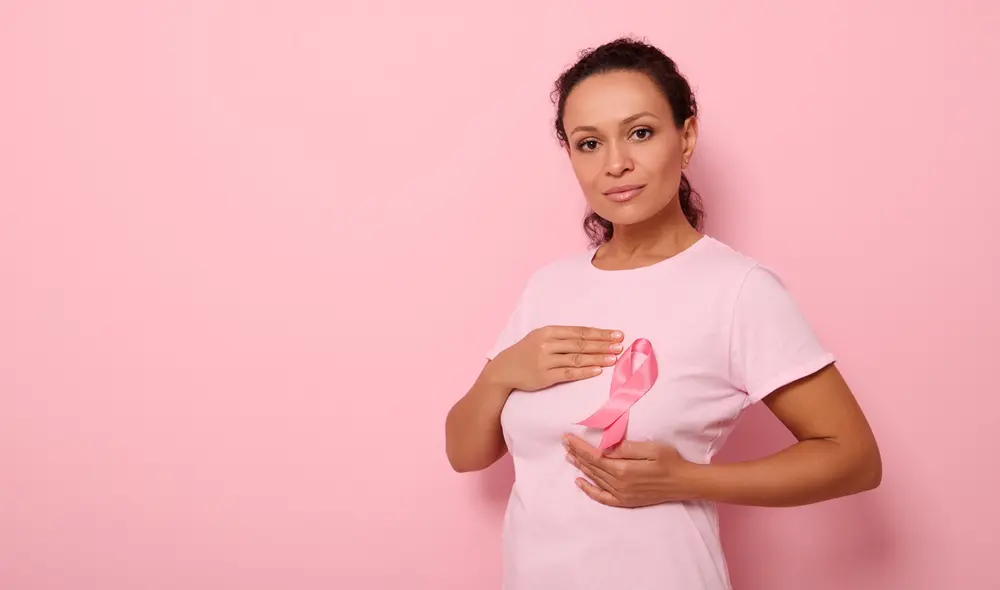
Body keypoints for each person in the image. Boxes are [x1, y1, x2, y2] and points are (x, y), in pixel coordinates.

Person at [444, 36, 882, 590]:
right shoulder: (549, 286)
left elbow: (855, 459)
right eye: (589, 143)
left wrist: (688, 480)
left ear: (688, 136)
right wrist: (501, 371)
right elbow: (465, 453)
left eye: (641, 132)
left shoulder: (737, 289)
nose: (616, 164)